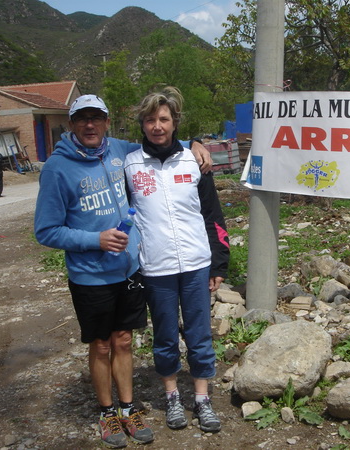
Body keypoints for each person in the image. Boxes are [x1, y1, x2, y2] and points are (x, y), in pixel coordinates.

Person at [34, 94, 211, 448]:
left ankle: (128, 409)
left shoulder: (120, 150)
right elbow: (46, 230)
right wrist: (93, 239)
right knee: (101, 346)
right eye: (81, 119)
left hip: (129, 270)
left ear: (106, 122)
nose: (89, 125)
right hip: (90, 273)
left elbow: (160, 140)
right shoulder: (57, 168)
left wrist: (195, 143)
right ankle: (106, 412)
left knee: (125, 341)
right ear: (71, 124)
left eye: (95, 118)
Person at [123, 87, 229, 433]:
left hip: (197, 264)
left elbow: (213, 215)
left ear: (174, 122)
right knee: (165, 336)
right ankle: (171, 396)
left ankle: (202, 398)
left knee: (199, 335)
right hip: (156, 267)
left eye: (164, 119)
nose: (157, 126)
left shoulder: (194, 160)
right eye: (150, 119)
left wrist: (219, 262)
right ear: (142, 123)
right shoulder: (129, 163)